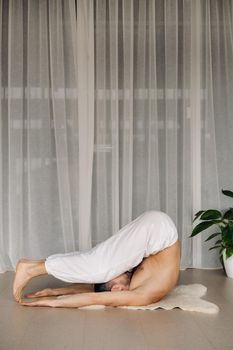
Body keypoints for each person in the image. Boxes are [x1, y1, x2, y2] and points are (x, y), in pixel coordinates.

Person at [13, 211, 180, 308]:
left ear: (116, 290)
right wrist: (53, 301)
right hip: (160, 234)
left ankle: (34, 265)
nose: (118, 272)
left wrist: (54, 295)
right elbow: (97, 295)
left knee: (95, 262)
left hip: (159, 229)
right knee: (98, 267)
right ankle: (32, 268)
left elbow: (94, 294)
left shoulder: (137, 291)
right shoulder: (141, 292)